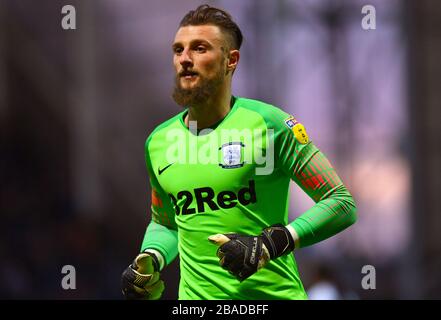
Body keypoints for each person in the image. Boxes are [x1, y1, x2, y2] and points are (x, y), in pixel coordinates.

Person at [121, 4, 357, 300]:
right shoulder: (159, 142)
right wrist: (151, 257)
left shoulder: (269, 124)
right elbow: (165, 222)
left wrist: (273, 243)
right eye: (178, 50)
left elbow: (341, 203)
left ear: (230, 60)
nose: (184, 59)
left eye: (199, 48)